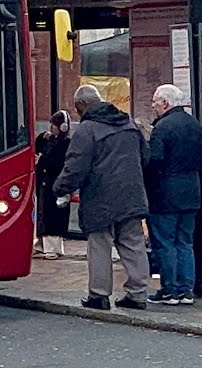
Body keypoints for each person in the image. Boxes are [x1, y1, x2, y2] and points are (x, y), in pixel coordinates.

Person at [53, 84, 151, 311]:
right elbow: (146, 158)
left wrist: (60, 188)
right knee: (133, 243)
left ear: (82, 105)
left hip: (100, 197)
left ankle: (99, 295)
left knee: (99, 245)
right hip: (131, 195)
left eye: (77, 108)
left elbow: (75, 166)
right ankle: (138, 294)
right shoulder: (129, 123)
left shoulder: (87, 129)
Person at [145, 84, 202, 306]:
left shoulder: (162, 128)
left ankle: (169, 289)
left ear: (165, 103)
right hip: (191, 190)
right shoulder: (194, 124)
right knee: (185, 242)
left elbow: (156, 162)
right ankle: (186, 290)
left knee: (165, 242)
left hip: (165, 193)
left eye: (155, 101)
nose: (153, 105)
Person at [34, 110, 72, 258]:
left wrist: (41, 161)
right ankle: (43, 244)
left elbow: (56, 162)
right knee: (43, 212)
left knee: (52, 214)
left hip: (55, 182)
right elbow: (38, 148)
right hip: (45, 181)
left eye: (53, 126)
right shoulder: (50, 140)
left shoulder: (65, 144)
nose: (51, 128)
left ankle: (53, 248)